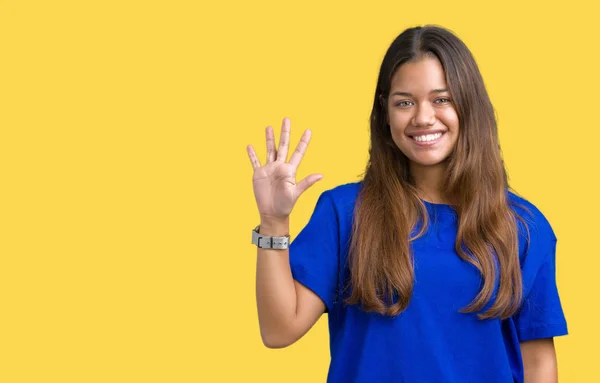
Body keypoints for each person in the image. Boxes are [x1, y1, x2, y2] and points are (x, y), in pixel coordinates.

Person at [246, 25, 568, 383]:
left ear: (469, 104)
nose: (423, 117)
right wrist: (273, 221)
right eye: (404, 102)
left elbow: (538, 364)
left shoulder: (523, 226)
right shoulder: (345, 213)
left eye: (441, 99)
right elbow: (279, 330)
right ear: (385, 113)